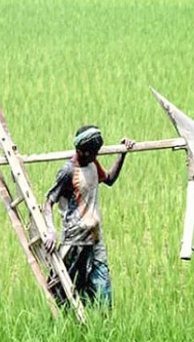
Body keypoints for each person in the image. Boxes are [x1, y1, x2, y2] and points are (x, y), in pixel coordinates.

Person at [42, 125, 135, 309]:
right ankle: (65, 325)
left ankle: (103, 327)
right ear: (81, 151)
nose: (95, 158)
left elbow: (109, 179)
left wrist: (122, 154)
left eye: (96, 154)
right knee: (64, 288)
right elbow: (48, 201)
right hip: (75, 239)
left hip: (95, 238)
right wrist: (51, 231)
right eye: (92, 154)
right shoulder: (68, 171)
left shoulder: (93, 163)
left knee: (103, 286)